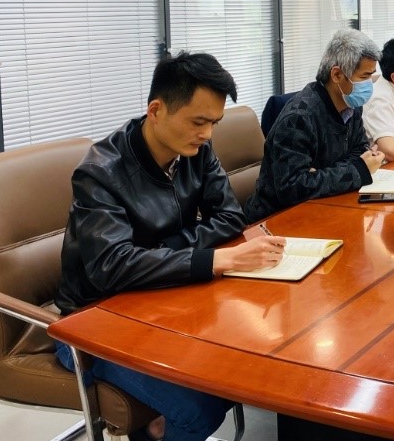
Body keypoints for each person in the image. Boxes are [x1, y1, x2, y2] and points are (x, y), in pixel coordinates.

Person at [56, 52, 287, 441]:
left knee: (241, 373)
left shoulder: (195, 151)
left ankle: (156, 430)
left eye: (214, 123)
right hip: (93, 322)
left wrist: (172, 249)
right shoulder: (101, 172)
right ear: (156, 110)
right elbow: (112, 266)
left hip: (165, 301)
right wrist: (209, 259)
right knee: (199, 409)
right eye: (198, 122)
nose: (207, 134)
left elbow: (230, 216)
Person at [244, 29, 386, 223]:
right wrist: (357, 170)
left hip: (327, 206)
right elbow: (292, 188)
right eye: (364, 77)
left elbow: (360, 151)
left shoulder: (352, 105)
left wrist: (320, 174)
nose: (369, 84)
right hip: (277, 219)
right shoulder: (299, 117)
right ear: (337, 74)